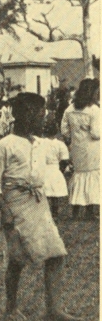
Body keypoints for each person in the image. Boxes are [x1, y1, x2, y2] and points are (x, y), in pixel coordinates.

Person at [0, 92, 82, 321]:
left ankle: (54, 309)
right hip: (15, 204)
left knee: (56, 254)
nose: (44, 119)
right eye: (40, 114)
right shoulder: (5, 145)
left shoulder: (39, 143)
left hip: (38, 203)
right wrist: (5, 210)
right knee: (17, 259)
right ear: (25, 114)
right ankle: (10, 310)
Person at [61, 78, 100, 221]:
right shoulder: (94, 110)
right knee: (92, 177)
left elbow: (64, 129)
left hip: (77, 147)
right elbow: (96, 133)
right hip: (92, 148)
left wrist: (71, 139)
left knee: (78, 176)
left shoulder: (70, 109)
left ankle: (75, 211)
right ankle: (90, 212)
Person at [42, 117, 70, 220]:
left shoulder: (39, 142)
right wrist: (60, 170)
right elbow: (65, 159)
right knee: (54, 193)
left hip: (43, 168)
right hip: (54, 169)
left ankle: (45, 212)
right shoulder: (60, 144)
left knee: (44, 192)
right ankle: (54, 212)